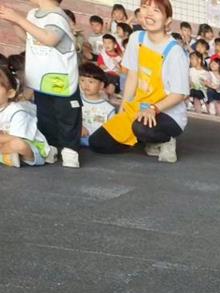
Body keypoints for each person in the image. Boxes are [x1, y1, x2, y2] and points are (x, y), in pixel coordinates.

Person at [89, 0, 188, 163]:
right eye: (145, 7)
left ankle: (165, 140)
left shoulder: (175, 52)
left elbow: (179, 94)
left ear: (168, 21)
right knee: (97, 143)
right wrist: (123, 108)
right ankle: (143, 139)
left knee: (140, 127)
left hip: (167, 113)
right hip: (139, 108)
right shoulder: (136, 38)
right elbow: (132, 76)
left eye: (156, 10)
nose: (149, 13)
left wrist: (153, 109)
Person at [0, 0, 81, 167]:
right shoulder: (33, 14)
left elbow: (50, 39)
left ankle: (70, 150)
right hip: (42, 77)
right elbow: (28, 38)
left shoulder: (57, 16)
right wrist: (14, 21)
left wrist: (19, 18)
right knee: (45, 114)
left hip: (60, 78)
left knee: (66, 114)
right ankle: (51, 147)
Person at [0, 64, 53, 166]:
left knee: (18, 144)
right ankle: (8, 157)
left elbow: (17, 138)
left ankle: (17, 157)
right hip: (5, 144)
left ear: (10, 93)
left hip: (31, 146)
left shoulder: (17, 112)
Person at [78, 62, 113, 146]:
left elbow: (112, 131)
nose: (86, 85)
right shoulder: (76, 101)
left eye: (91, 82)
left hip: (98, 145)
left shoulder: (108, 109)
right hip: (76, 141)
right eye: (82, 80)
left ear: (101, 85)